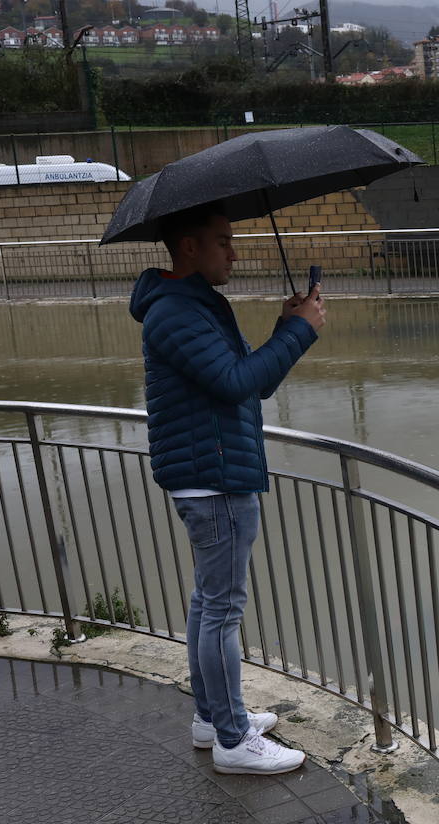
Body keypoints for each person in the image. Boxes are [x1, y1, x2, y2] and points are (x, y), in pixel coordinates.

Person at [129, 202, 325, 775]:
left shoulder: (195, 307)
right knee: (222, 610)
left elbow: (247, 386)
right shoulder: (177, 313)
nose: (234, 253)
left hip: (210, 473)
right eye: (222, 242)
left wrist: (287, 330)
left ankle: (213, 717)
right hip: (213, 479)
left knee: (208, 604)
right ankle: (234, 740)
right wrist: (298, 331)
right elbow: (238, 382)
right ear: (188, 247)